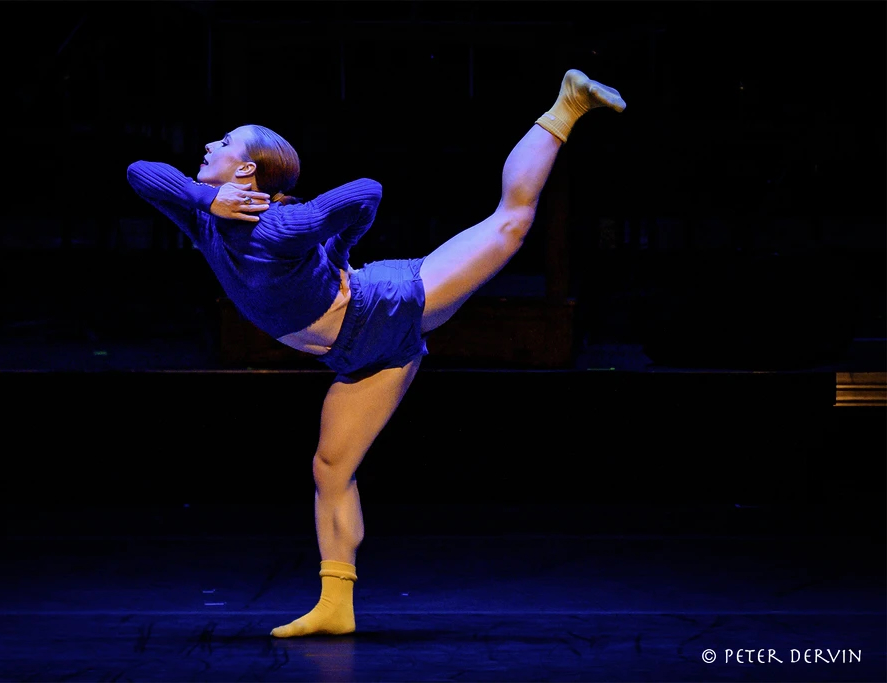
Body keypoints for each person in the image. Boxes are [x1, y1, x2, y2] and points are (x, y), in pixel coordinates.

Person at [127, 68, 626, 637]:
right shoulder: (202, 221)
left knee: (510, 225)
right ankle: (336, 606)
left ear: (246, 168)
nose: (209, 145)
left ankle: (566, 107)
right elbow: (139, 172)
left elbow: (366, 192)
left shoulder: (281, 225)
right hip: (359, 359)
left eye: (223, 143)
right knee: (331, 469)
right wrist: (209, 199)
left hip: (386, 303)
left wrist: (336, 248)